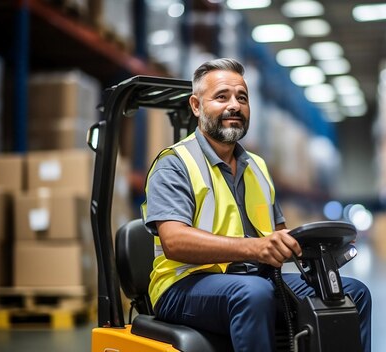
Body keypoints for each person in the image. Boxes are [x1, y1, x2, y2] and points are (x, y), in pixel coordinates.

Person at [142, 58, 371, 351]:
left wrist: (312, 246)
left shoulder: (257, 167)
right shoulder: (174, 164)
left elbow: (277, 233)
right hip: (184, 285)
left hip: (255, 280)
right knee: (253, 293)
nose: (235, 105)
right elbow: (174, 241)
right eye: (221, 97)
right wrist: (254, 248)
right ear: (196, 106)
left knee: (353, 292)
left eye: (242, 98)